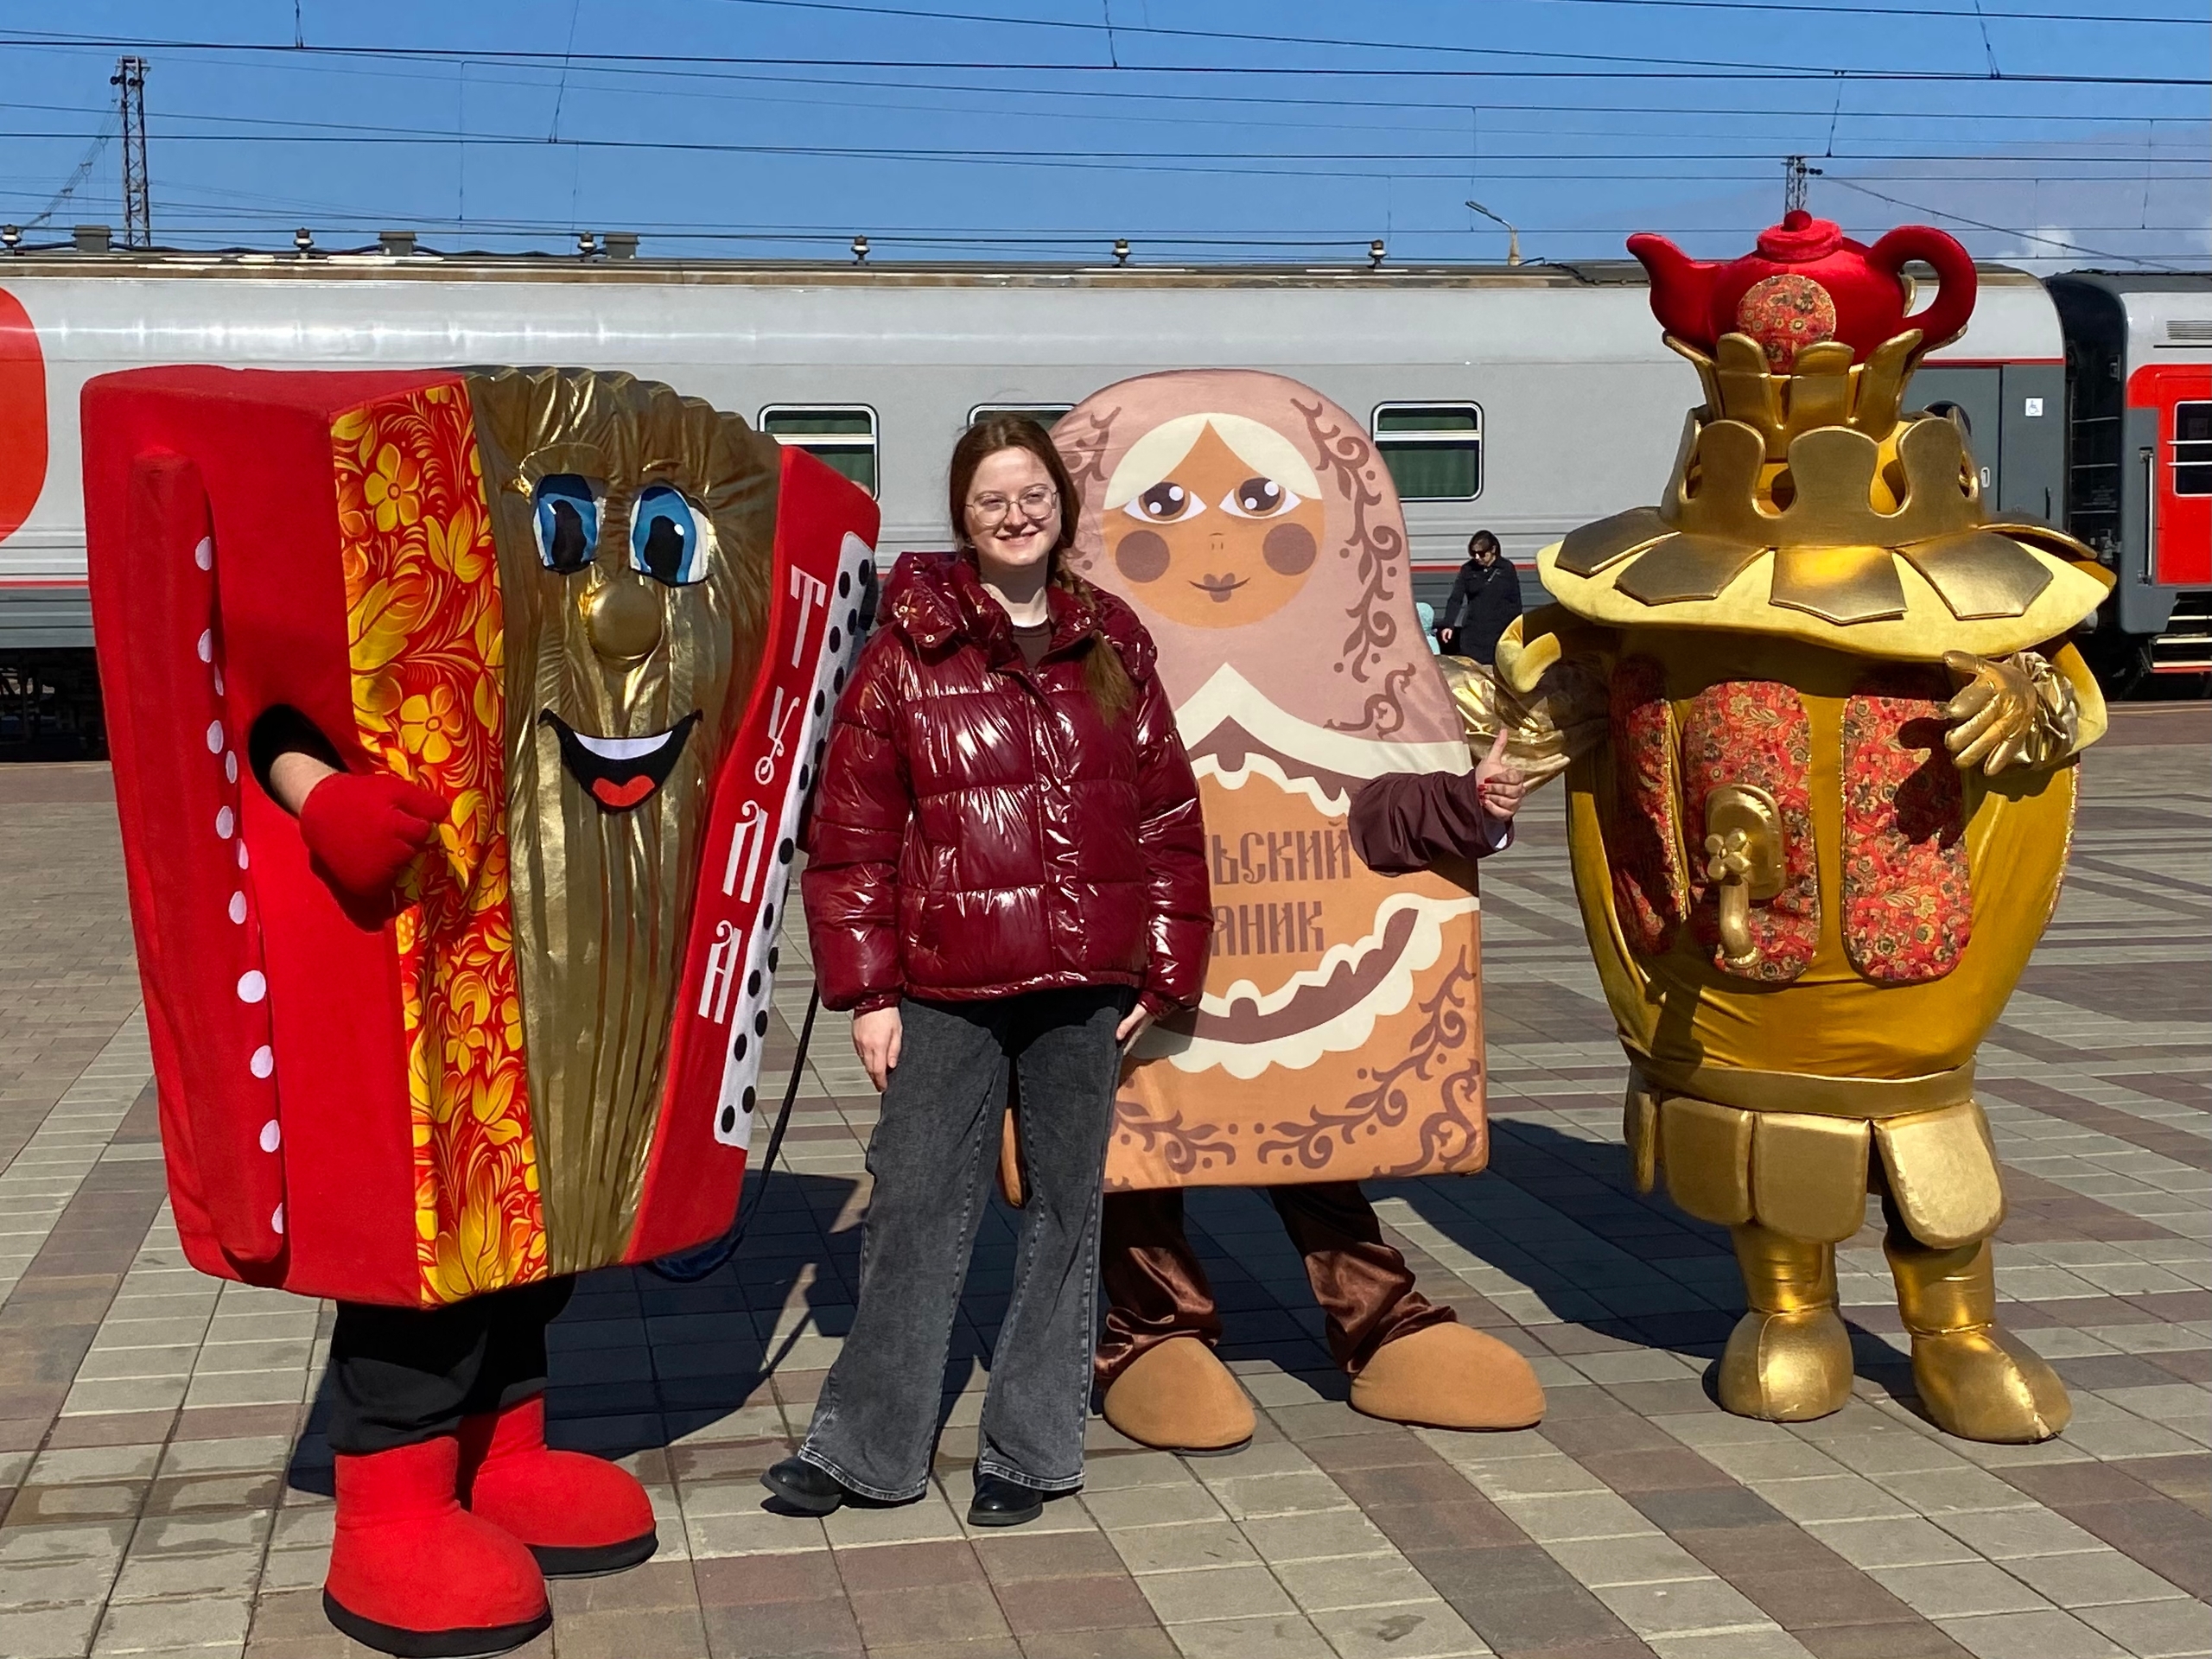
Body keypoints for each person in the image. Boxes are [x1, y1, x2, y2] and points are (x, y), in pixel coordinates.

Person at [768, 416, 1211, 1527]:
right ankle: (867, 1449)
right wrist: (867, 993)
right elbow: (852, 836)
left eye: (1032, 496)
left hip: (1087, 987)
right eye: (991, 501)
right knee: (912, 1206)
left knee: (1066, 1216)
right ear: (964, 519)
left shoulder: (1111, 641)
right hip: (944, 988)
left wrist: (1167, 970)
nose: (1015, 516)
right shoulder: (906, 652)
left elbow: (1165, 813)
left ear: (1062, 507)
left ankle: (1031, 1448)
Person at [1436, 530, 1522, 664]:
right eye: (1473, 553)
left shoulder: (1506, 569)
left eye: (1481, 554)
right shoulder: (1468, 570)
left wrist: (1517, 629)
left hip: (1499, 631)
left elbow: (1515, 601)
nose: (1477, 557)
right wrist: (1448, 624)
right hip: (1473, 632)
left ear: (1493, 550)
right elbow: (1456, 599)